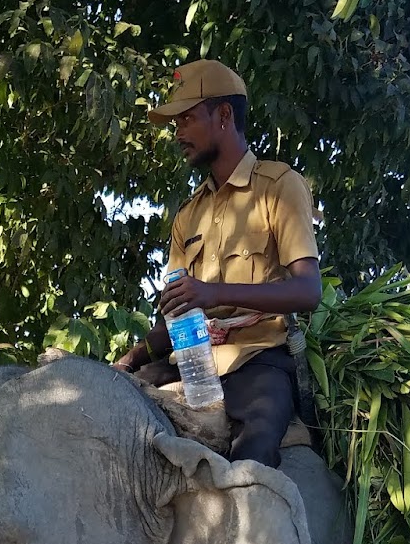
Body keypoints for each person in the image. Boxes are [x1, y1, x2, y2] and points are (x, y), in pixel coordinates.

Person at [114, 59, 322, 470]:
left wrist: (213, 293)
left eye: (187, 119)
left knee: (253, 462)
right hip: (190, 366)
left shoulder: (279, 187)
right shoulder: (186, 216)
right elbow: (176, 315)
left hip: (258, 362)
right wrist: (131, 359)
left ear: (224, 115)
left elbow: (307, 290)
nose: (178, 133)